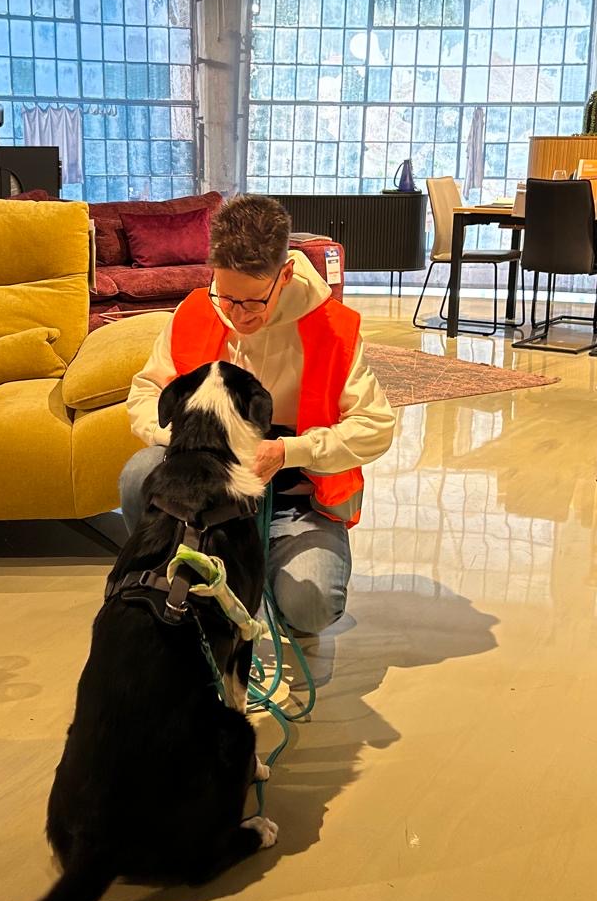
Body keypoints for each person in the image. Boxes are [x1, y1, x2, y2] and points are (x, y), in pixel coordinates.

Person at [121, 194, 396, 639]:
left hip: (296, 500)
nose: (236, 315)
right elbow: (145, 392)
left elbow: (375, 427)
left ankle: (263, 574)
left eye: (251, 302)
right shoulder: (197, 310)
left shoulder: (332, 328)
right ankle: (176, 574)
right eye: (226, 296)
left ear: (284, 275)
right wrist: (189, 441)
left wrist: (290, 451)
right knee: (140, 474)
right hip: (209, 493)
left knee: (311, 608)